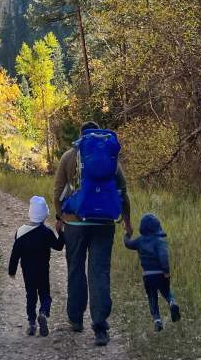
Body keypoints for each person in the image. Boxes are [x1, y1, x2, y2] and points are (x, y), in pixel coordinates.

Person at [54, 121, 132, 346]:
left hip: (75, 225)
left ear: (81, 137)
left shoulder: (69, 156)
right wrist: (127, 222)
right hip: (104, 224)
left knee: (76, 269)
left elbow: (59, 190)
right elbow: (122, 193)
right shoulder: (109, 159)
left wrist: (60, 217)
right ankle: (100, 327)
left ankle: (76, 318)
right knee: (99, 272)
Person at [8, 195, 65, 336]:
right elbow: (58, 247)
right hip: (43, 271)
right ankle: (44, 313)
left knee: (31, 296)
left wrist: (12, 270)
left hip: (28, 272)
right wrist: (61, 232)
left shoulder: (21, 232)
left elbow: (15, 254)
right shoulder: (46, 232)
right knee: (45, 295)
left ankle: (32, 323)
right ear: (45, 215)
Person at [124, 212, 181, 332]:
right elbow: (163, 256)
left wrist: (127, 234)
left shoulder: (139, 241)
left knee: (152, 297)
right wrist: (166, 271)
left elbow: (128, 244)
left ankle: (157, 320)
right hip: (160, 273)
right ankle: (172, 302)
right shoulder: (160, 241)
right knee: (166, 291)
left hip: (148, 275)